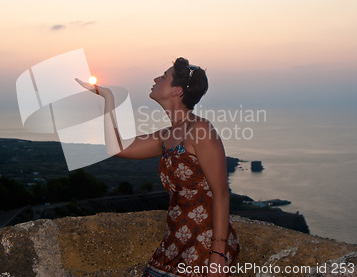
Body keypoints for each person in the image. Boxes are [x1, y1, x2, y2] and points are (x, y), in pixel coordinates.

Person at [76, 57, 239, 277]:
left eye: (163, 76)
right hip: (174, 240)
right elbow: (117, 147)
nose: (155, 79)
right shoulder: (167, 136)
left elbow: (220, 193)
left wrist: (218, 253)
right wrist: (108, 98)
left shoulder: (200, 130)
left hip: (203, 242)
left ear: (177, 91)